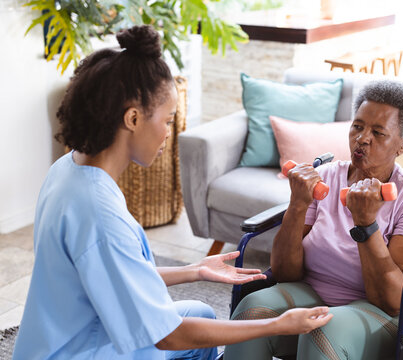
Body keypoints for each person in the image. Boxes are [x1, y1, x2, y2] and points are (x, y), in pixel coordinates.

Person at [12, 25, 332, 360]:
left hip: (55, 341)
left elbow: (116, 273)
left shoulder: (69, 169)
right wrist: (278, 325)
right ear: (133, 118)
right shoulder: (99, 214)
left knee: (201, 312)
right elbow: (169, 337)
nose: (169, 133)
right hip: (77, 353)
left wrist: (194, 270)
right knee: (193, 336)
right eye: (167, 120)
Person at [224, 80, 403, 360]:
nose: (363, 138)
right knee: (251, 308)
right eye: (358, 126)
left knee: (323, 331)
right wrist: (298, 204)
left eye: (378, 132)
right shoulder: (326, 176)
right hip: (313, 292)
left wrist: (366, 225)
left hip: (384, 314)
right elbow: (284, 273)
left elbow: (392, 300)